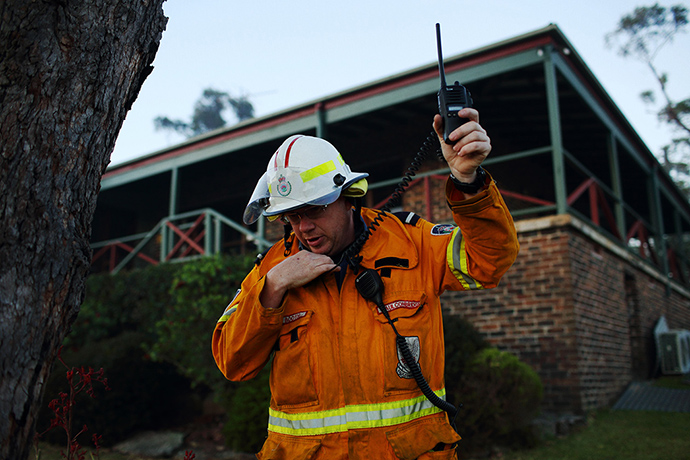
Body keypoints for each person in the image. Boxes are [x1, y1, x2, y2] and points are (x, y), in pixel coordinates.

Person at [212, 108, 519, 460]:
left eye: (314, 210)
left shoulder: (410, 241)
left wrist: (469, 181)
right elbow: (231, 361)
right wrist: (273, 286)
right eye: (291, 216)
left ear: (347, 196)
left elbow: (490, 261)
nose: (303, 227)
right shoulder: (272, 268)